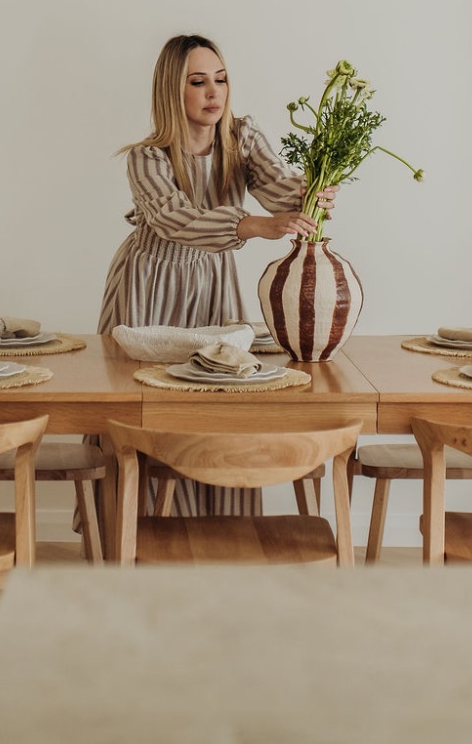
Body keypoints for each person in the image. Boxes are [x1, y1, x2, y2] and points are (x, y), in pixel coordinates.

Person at [99, 33, 336, 516]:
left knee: (223, 395)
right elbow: (172, 218)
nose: (214, 93)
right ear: (173, 91)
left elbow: (278, 187)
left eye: (221, 79)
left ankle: (219, 531)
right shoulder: (148, 157)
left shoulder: (241, 138)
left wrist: (314, 189)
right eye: (198, 82)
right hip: (150, 281)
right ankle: (138, 530)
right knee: (144, 404)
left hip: (214, 280)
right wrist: (251, 224)